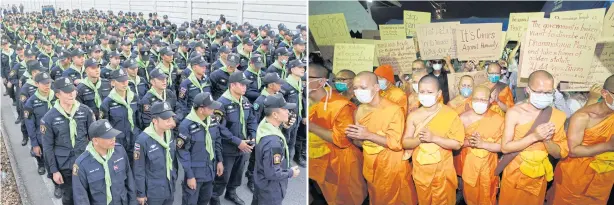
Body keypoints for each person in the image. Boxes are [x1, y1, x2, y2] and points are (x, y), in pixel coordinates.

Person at [346, 71, 417, 204]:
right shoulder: (359, 109)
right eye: (355, 88)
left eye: (363, 88)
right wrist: (356, 137)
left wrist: (368, 135)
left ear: (376, 88)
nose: (358, 92)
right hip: (371, 163)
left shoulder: (393, 110)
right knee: (376, 196)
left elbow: (396, 144)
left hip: (391, 164)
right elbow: (359, 141)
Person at [499, 70, 568, 205]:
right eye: (539, 91)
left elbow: (559, 153)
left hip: (538, 175)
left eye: (548, 92)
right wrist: (535, 136)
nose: (544, 96)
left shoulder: (558, 116)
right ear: (528, 90)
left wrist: (546, 139)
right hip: (515, 172)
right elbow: (505, 148)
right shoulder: (515, 113)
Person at [308, 64, 367, 204]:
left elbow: (342, 139)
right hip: (319, 160)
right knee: (330, 197)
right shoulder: (305, 100)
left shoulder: (340, 105)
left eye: (307, 78)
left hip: (342, 163)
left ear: (321, 82)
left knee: (349, 198)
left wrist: (311, 127)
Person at [551, 75, 614, 204]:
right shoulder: (583, 116)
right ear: (604, 93)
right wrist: (608, 146)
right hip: (576, 175)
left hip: (603, 176)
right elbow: (573, 150)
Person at [402, 75, 464, 205]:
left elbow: (457, 144)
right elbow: (406, 142)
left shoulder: (450, 114)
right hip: (422, 170)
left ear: (439, 94)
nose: (425, 95)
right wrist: (420, 139)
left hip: (443, 170)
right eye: (422, 92)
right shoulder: (414, 116)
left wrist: (433, 138)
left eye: (430, 92)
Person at [42, 76, 95, 205]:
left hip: (85, 161)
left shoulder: (85, 111)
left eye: (73, 91)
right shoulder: (49, 118)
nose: (72, 94)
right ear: (58, 95)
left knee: (90, 195)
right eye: (67, 92)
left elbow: (93, 138)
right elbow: (47, 147)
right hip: (65, 165)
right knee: (70, 198)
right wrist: (54, 171)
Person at [211, 72, 258, 205]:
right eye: (242, 84)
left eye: (246, 85)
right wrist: (237, 142)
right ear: (232, 85)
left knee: (237, 174)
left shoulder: (245, 101)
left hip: (243, 147)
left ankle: (231, 193)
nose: (245, 87)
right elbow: (219, 128)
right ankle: (214, 197)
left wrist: (252, 135)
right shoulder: (221, 104)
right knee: (222, 176)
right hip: (228, 148)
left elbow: (251, 119)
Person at [252, 93, 301, 205]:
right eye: (284, 109)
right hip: (270, 190)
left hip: (261, 183)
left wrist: (285, 127)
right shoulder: (273, 143)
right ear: (275, 114)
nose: (288, 112)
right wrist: (290, 172)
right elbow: (273, 173)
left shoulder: (265, 124)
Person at [72, 119, 136, 205]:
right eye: (108, 137)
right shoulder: (81, 164)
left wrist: (133, 202)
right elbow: (81, 198)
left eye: (113, 135)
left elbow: (129, 179)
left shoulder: (119, 151)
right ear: (95, 141)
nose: (113, 139)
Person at [458, 86, 504, 205]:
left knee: (488, 194)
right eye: (476, 99)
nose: (479, 102)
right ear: (471, 100)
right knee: (470, 194)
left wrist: (483, 144)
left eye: (483, 100)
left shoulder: (498, 118)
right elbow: (455, 142)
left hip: (489, 166)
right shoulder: (462, 118)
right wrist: (470, 142)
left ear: (490, 101)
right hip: (469, 165)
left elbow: (502, 146)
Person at [177, 92, 224, 205]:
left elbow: (216, 140)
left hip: (210, 170)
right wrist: (190, 176)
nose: (214, 109)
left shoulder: (212, 120)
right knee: (190, 202)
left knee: (204, 200)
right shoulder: (186, 125)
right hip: (195, 173)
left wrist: (220, 161)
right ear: (201, 109)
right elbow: (183, 153)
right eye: (211, 107)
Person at [245, 72, 286, 192]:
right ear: (271, 85)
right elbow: (254, 120)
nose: (280, 86)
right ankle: (251, 179)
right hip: (262, 136)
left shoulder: (278, 97)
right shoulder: (261, 100)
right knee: (256, 159)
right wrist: (255, 137)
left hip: (273, 132)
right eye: (278, 84)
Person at [23, 71, 62, 198]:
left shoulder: (57, 97)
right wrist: (34, 144)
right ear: (36, 84)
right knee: (50, 164)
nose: (47, 86)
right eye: (44, 83)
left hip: (61, 137)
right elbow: (30, 125)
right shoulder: (31, 102)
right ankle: (56, 186)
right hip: (43, 139)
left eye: (49, 83)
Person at [133, 101, 178, 205]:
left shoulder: (169, 133)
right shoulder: (143, 140)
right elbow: (139, 169)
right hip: (153, 191)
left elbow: (172, 160)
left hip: (169, 186)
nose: (171, 122)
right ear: (155, 121)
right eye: (167, 119)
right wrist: (141, 193)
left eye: (171, 118)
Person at [100, 68, 141, 164]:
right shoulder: (107, 103)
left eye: (126, 80)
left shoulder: (134, 97)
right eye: (121, 81)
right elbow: (105, 128)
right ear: (113, 83)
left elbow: (139, 120)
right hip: (118, 142)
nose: (124, 83)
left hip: (135, 138)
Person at [280, 59, 306, 166]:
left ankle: (289, 160)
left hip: (297, 116)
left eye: (303, 67)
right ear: (292, 69)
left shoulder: (299, 82)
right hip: (287, 118)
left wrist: (303, 115)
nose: (303, 69)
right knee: (285, 140)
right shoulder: (285, 84)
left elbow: (302, 100)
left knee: (292, 140)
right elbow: (280, 102)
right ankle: (281, 162)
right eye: (300, 67)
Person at [19, 60, 44, 146]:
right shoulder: (26, 87)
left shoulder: (46, 83)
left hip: (44, 114)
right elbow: (26, 108)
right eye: (39, 71)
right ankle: (27, 138)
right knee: (26, 125)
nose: (41, 73)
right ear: (33, 73)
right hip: (33, 115)